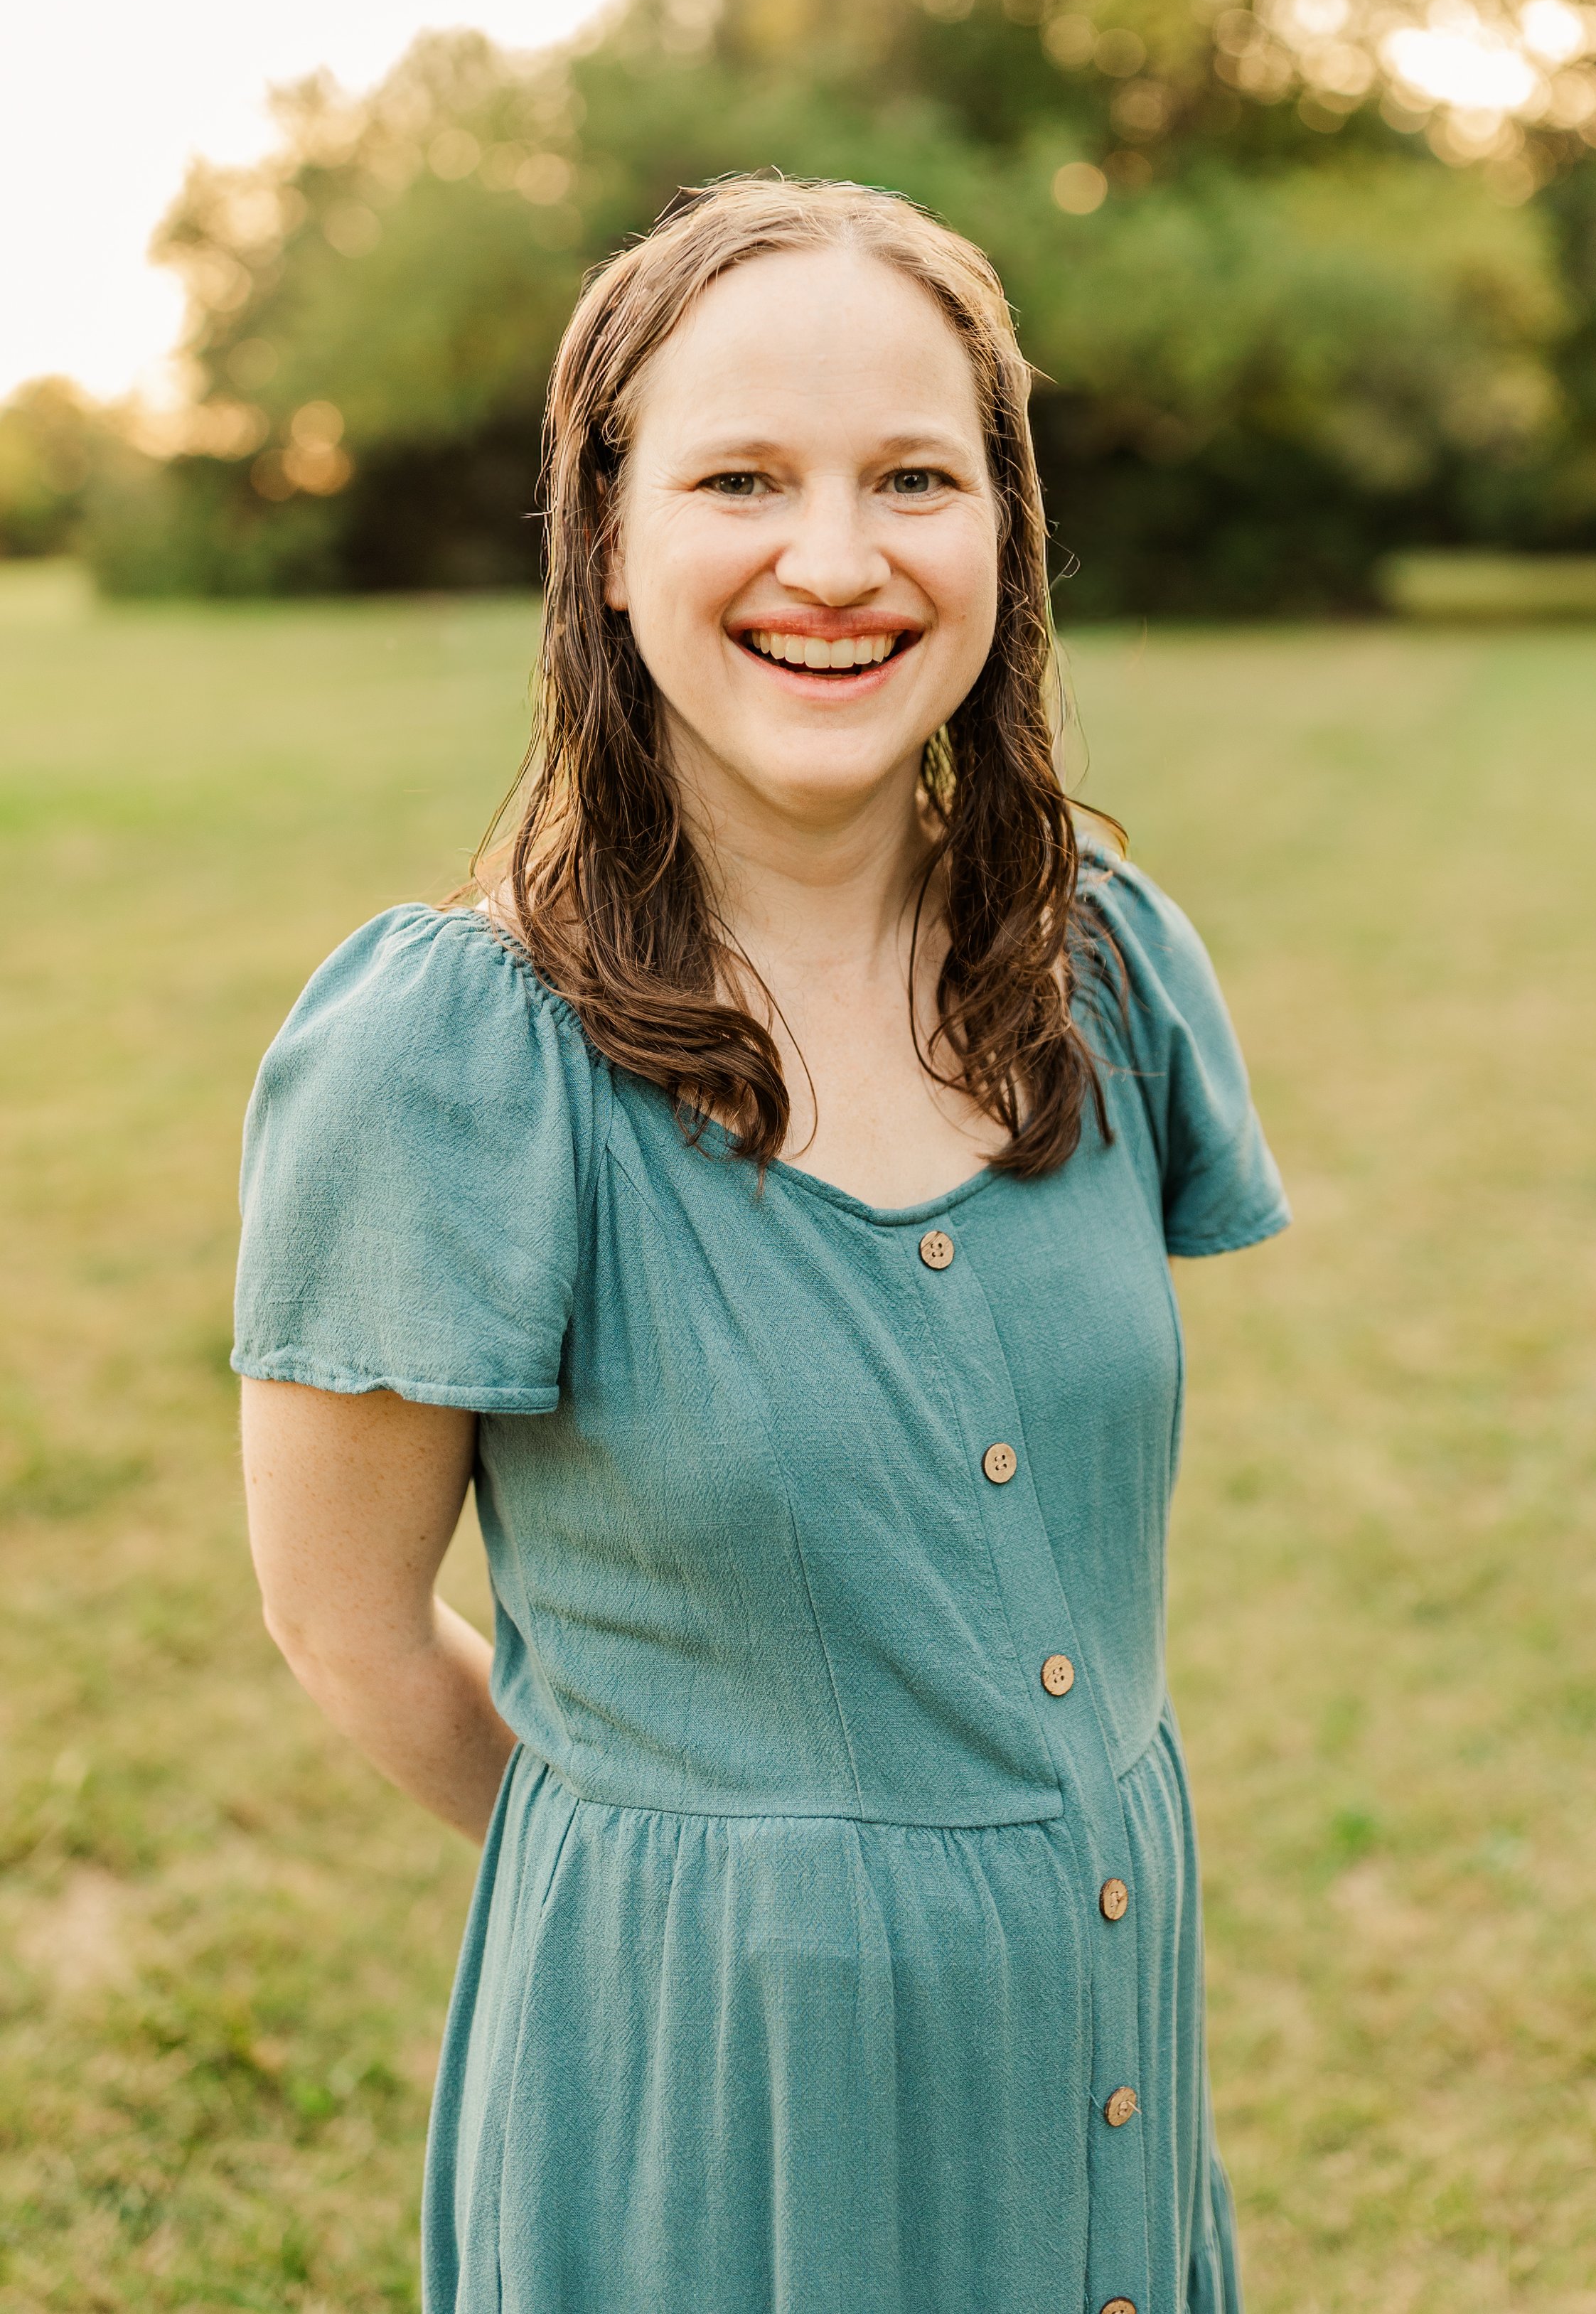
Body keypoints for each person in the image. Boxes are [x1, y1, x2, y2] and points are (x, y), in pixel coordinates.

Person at [235, 173, 1289, 2314]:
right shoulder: (448, 1061)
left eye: (913, 476)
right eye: (740, 479)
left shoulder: (1106, 968)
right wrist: (707, 1896)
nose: (836, 560)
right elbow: (349, 1631)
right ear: (606, 546)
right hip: (716, 2099)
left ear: (1003, 529)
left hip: (1096, 2037)